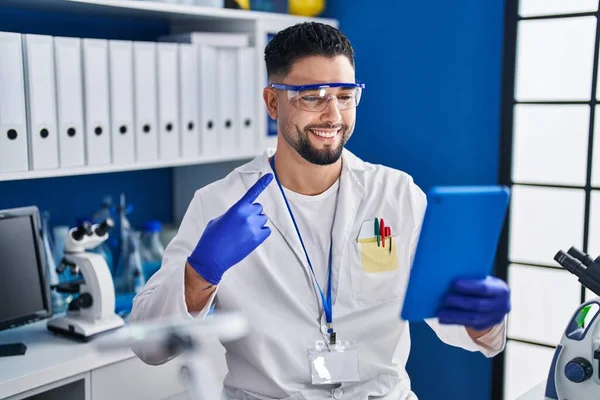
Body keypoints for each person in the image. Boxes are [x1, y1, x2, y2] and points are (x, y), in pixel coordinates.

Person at [130, 22, 511, 400]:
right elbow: (149, 346)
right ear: (272, 102)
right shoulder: (219, 203)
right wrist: (199, 273)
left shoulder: (396, 194)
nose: (333, 115)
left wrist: (484, 317)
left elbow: (465, 330)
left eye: (345, 95)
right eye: (312, 96)